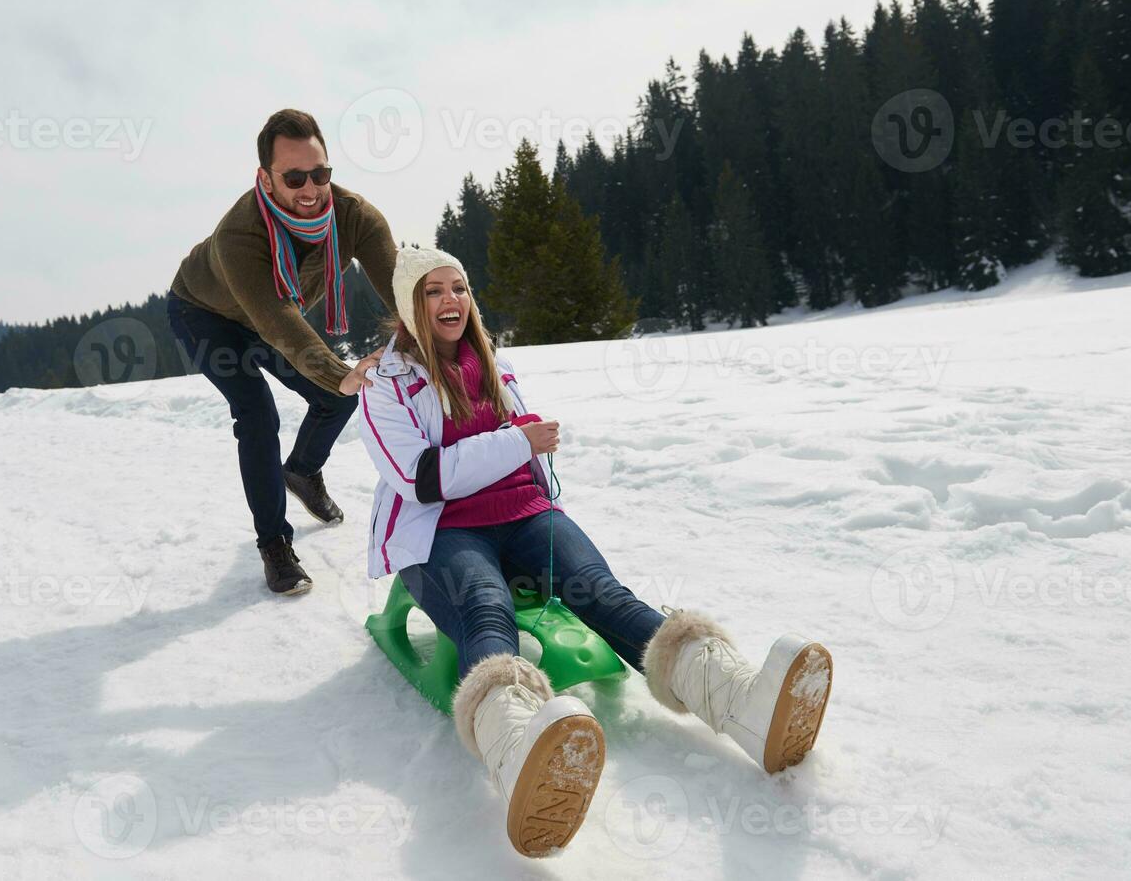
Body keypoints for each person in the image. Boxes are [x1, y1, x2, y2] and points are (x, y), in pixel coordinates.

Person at [357, 248, 835, 858]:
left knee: (601, 592)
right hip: (440, 533)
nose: (451, 301)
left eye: (460, 287)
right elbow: (421, 477)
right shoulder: (386, 384)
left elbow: (521, 437)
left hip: (524, 515)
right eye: (433, 292)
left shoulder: (492, 364)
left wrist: (522, 442)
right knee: (484, 606)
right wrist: (516, 441)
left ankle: (742, 702)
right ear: (409, 306)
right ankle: (515, 749)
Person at [169, 109, 396, 596]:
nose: (310, 189)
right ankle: (275, 544)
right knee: (257, 413)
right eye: (294, 177)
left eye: (320, 174)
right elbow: (278, 323)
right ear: (265, 179)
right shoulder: (239, 233)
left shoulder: (353, 217)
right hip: (206, 314)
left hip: (270, 318)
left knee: (337, 399)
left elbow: (402, 288)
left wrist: (445, 341)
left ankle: (302, 470)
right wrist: (341, 372)